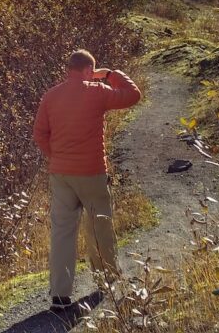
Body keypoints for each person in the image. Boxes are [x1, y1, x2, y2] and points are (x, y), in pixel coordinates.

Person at [33, 49, 142, 311]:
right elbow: (133, 95)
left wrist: (56, 157)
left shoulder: (51, 96)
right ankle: (107, 283)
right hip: (92, 172)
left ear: (69, 69)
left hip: (61, 175)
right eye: (93, 73)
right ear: (88, 71)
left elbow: (39, 134)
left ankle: (60, 296)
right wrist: (110, 74)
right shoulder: (97, 91)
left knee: (62, 233)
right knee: (99, 228)